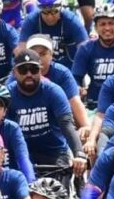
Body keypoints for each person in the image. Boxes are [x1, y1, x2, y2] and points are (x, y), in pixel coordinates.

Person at [8, 49, 87, 179]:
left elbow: (66, 124)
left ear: (41, 70)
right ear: (14, 72)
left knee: (62, 190)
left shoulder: (54, 91)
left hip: (54, 152)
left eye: (33, 69)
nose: (29, 74)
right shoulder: (8, 95)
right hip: (21, 154)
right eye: (23, 70)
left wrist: (79, 153)